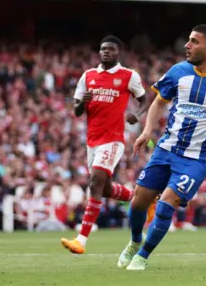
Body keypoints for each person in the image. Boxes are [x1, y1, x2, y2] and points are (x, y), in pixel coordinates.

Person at [119, 24, 206, 271]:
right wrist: (147, 131)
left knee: (167, 201)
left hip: (198, 158)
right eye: (188, 41)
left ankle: (143, 256)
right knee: (138, 201)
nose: (187, 46)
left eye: (193, 41)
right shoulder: (178, 72)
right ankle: (135, 242)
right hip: (167, 148)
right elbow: (158, 103)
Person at [61, 35, 148, 254]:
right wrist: (83, 102)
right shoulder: (88, 76)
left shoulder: (128, 76)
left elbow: (145, 100)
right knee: (105, 188)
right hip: (92, 141)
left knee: (94, 182)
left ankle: (81, 240)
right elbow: (77, 111)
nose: (105, 52)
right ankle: (139, 199)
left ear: (118, 53)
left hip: (113, 140)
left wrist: (136, 116)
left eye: (110, 49)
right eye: (102, 49)